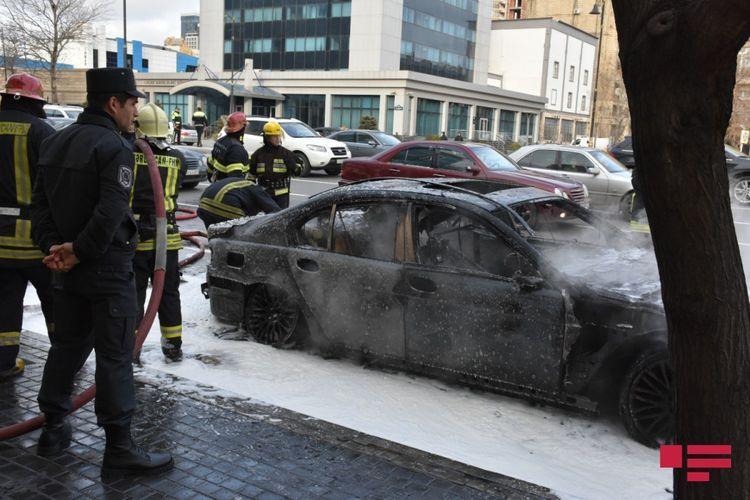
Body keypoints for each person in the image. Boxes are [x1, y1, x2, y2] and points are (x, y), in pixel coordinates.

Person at [31, 67, 172, 475]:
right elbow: (111, 209)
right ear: (114, 103)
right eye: (132, 104)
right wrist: (80, 251)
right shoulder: (114, 147)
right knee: (114, 358)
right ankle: (119, 448)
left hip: (68, 272)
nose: (135, 112)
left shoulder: (56, 141)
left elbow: (39, 206)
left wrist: (55, 249)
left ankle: (53, 429)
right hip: (106, 269)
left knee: (66, 349)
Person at [0, 73, 56, 380]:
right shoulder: (42, 131)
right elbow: (57, 186)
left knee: (5, 304)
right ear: (37, 102)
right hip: (36, 240)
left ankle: (4, 363)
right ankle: (63, 363)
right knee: (54, 301)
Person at [130, 103, 187, 362]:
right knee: (168, 293)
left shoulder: (127, 153)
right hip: (168, 238)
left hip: (137, 235)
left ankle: (132, 346)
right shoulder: (178, 158)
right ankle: (173, 346)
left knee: (135, 293)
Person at [197, 176, 281, 228]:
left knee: (214, 236)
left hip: (203, 205)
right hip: (225, 202)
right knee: (241, 231)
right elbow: (276, 212)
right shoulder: (258, 191)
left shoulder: (244, 185)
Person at [249, 121, 297, 209]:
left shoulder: (286, 154)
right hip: (264, 194)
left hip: (281, 196)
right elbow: (251, 175)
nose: (278, 139)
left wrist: (295, 165)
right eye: (274, 136)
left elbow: (297, 171)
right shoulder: (257, 155)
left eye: (278, 136)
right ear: (267, 137)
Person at [207, 111, 249, 181]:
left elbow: (211, 162)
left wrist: (210, 177)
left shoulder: (220, 140)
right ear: (242, 127)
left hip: (217, 184)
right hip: (227, 189)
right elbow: (235, 179)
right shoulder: (236, 148)